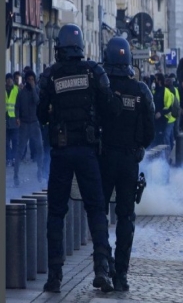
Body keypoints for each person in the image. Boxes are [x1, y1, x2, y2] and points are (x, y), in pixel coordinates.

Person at [37, 23, 122, 293]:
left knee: (56, 214)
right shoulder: (93, 71)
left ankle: (54, 277)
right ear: (81, 46)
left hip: (61, 153)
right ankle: (102, 271)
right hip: (87, 152)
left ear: (59, 47)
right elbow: (111, 107)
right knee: (96, 210)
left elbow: (40, 115)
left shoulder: (50, 76)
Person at [100, 37, 155, 291]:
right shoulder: (141, 90)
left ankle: (104, 264)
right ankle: (121, 274)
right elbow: (150, 131)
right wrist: (137, 147)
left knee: (99, 214)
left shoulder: (103, 87)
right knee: (125, 218)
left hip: (104, 159)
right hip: (129, 160)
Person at [14, 70, 44, 186]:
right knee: (20, 150)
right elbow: (17, 106)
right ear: (26, 80)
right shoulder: (21, 93)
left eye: (32, 79)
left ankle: (40, 171)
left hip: (34, 123)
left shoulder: (36, 90)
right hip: (24, 124)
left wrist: (33, 89)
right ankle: (16, 175)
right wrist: (17, 118)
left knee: (40, 148)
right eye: (29, 80)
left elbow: (37, 102)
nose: (31, 81)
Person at [5, 73, 19, 167]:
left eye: (10, 79)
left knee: (15, 141)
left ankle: (14, 158)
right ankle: (8, 158)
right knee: (5, 142)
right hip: (5, 120)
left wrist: (19, 117)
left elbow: (20, 104)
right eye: (8, 79)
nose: (9, 80)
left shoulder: (17, 89)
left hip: (14, 119)